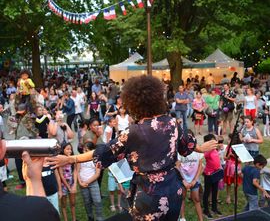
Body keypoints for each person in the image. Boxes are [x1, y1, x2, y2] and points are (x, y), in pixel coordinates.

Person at [47, 75, 217, 220]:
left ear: (134, 103)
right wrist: (201, 148)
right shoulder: (172, 123)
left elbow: (103, 151)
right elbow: (186, 145)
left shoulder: (133, 132)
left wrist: (71, 158)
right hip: (174, 191)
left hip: (149, 196)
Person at [0, 139, 60, 221]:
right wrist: (35, 181)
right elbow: (39, 212)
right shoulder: (32, 211)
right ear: (2, 149)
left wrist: (31, 180)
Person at [177, 130, 204, 221]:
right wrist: (183, 180)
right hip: (183, 178)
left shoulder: (198, 151)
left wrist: (195, 180)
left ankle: (201, 219)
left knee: (196, 199)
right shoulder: (180, 152)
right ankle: (183, 217)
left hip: (194, 178)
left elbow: (200, 165)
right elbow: (177, 167)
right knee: (182, 198)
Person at [77, 142, 103, 221]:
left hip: (93, 183)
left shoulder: (97, 159)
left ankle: (99, 218)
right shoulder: (80, 158)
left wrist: (87, 182)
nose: (84, 152)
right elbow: (77, 171)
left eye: (86, 150)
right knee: (87, 202)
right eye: (84, 150)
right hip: (82, 184)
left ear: (92, 150)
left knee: (97, 201)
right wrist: (80, 182)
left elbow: (97, 173)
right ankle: (90, 217)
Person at [203, 134, 223, 219]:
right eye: (212, 141)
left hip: (216, 173)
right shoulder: (207, 151)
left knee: (215, 191)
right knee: (207, 192)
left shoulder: (215, 149)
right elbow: (204, 156)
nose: (214, 142)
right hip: (209, 174)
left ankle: (214, 208)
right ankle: (206, 210)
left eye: (214, 140)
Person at [59, 143, 77, 221]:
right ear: (63, 150)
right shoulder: (60, 160)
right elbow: (61, 176)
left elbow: (75, 171)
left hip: (72, 183)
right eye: (67, 149)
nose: (70, 150)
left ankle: (74, 219)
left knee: (73, 203)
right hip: (63, 185)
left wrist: (74, 184)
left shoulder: (73, 159)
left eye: (70, 149)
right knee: (64, 204)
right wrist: (68, 187)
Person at [224, 133, 242, 204]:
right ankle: (228, 196)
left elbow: (241, 160)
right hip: (228, 167)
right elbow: (224, 158)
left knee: (236, 183)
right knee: (228, 183)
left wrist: (234, 156)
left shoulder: (239, 148)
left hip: (236, 168)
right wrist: (228, 156)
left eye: (229, 139)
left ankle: (235, 197)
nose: (228, 140)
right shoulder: (228, 147)